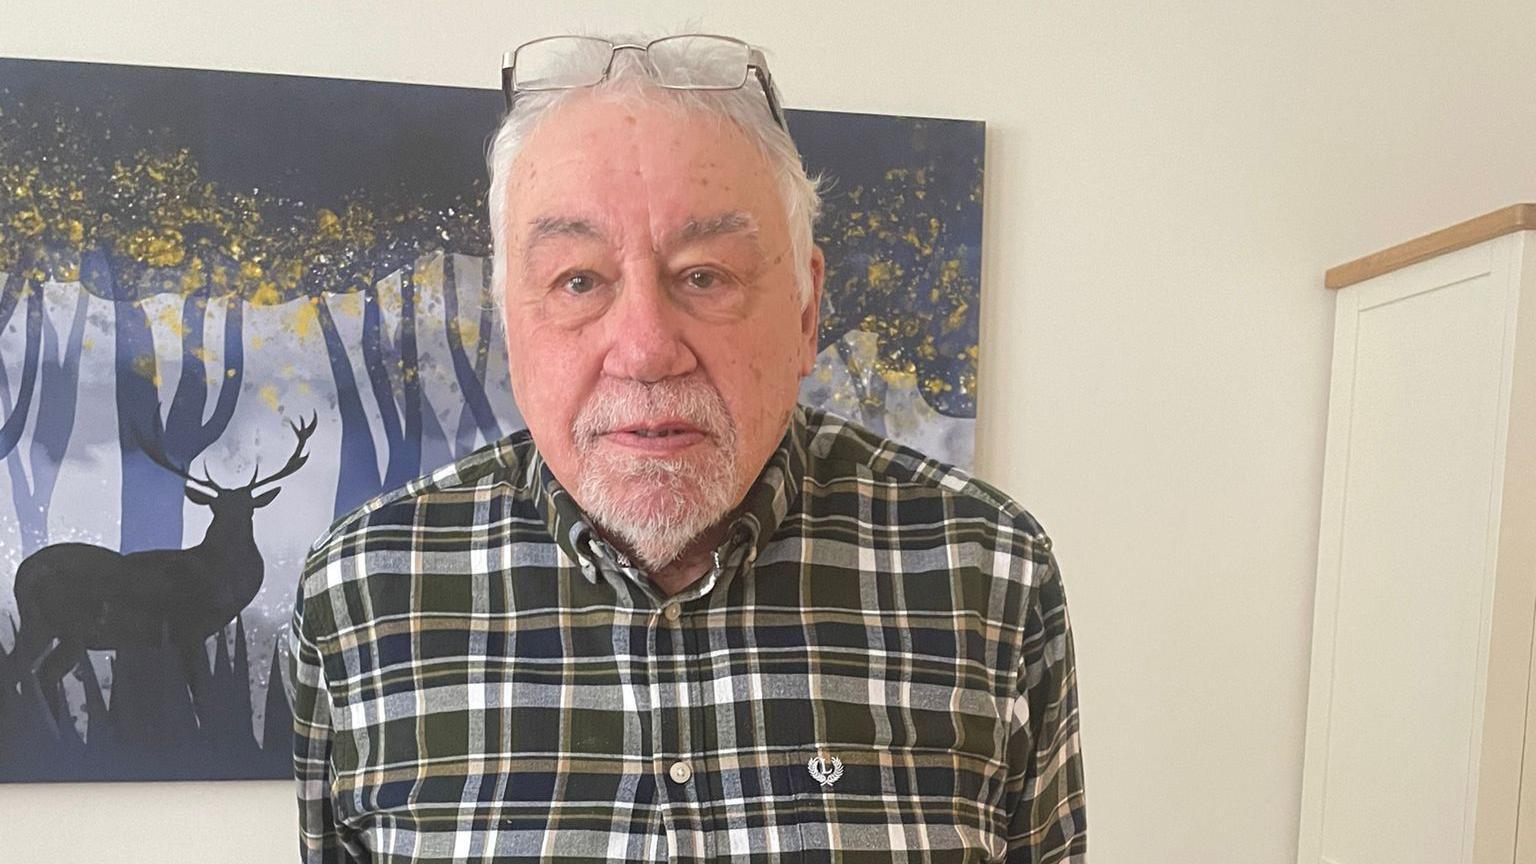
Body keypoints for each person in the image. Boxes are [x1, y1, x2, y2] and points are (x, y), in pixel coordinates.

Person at [288, 32, 1086, 863]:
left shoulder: (992, 574)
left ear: (808, 313)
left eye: (705, 275)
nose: (644, 348)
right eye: (578, 280)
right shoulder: (360, 594)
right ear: (510, 323)